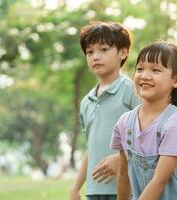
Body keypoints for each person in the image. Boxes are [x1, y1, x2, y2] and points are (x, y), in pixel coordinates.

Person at [111, 41, 177, 200]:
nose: (145, 76)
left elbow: (159, 180)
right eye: (140, 69)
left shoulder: (174, 125)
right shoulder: (124, 123)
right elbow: (124, 174)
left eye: (155, 70)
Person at [70, 21, 140, 200]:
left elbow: (146, 136)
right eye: (90, 52)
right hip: (95, 191)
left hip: (128, 189)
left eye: (104, 49)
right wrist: (76, 188)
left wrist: (120, 159)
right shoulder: (86, 102)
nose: (95, 57)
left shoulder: (132, 91)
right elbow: (90, 148)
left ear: (123, 52)